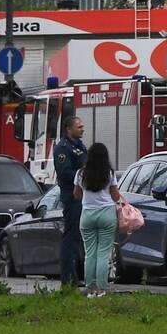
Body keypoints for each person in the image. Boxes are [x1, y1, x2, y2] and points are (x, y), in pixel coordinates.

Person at [73, 141, 122, 298]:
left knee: (90, 253)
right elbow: (115, 195)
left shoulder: (81, 174)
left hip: (87, 215)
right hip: (107, 214)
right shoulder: (109, 173)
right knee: (103, 253)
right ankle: (101, 288)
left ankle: (90, 288)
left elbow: (76, 194)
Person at [53, 115, 87, 287]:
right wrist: (85, 176)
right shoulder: (63, 148)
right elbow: (66, 173)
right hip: (72, 197)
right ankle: (68, 279)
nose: (82, 129)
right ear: (69, 129)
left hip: (84, 196)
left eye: (82, 126)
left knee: (78, 238)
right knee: (71, 236)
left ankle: (76, 276)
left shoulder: (79, 146)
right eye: (79, 126)